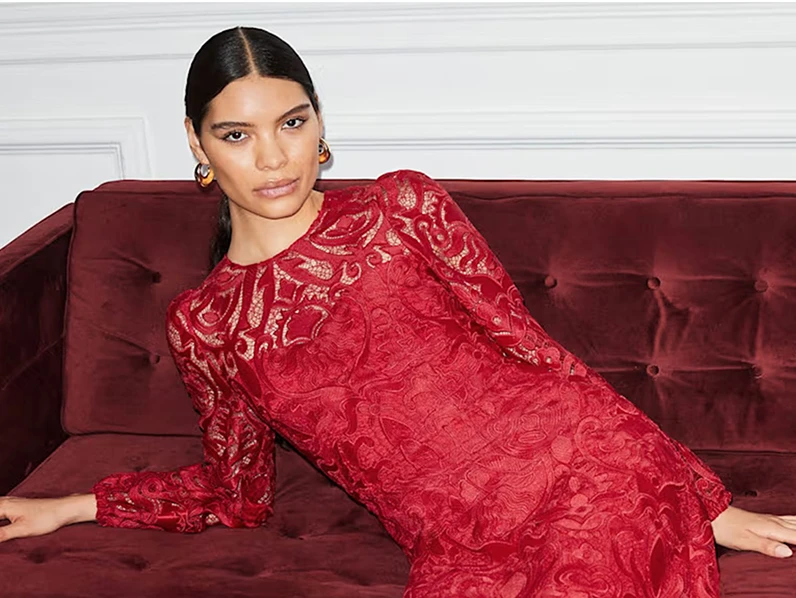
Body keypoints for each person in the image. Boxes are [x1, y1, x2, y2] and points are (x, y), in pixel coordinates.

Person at [1, 26, 794, 597]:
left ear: (320, 124)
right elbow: (237, 494)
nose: (274, 158)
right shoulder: (206, 324)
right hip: (461, 545)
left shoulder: (399, 206)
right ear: (197, 143)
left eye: (293, 122)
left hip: (584, 471)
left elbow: (535, 354)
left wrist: (697, 496)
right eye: (238, 134)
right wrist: (73, 507)